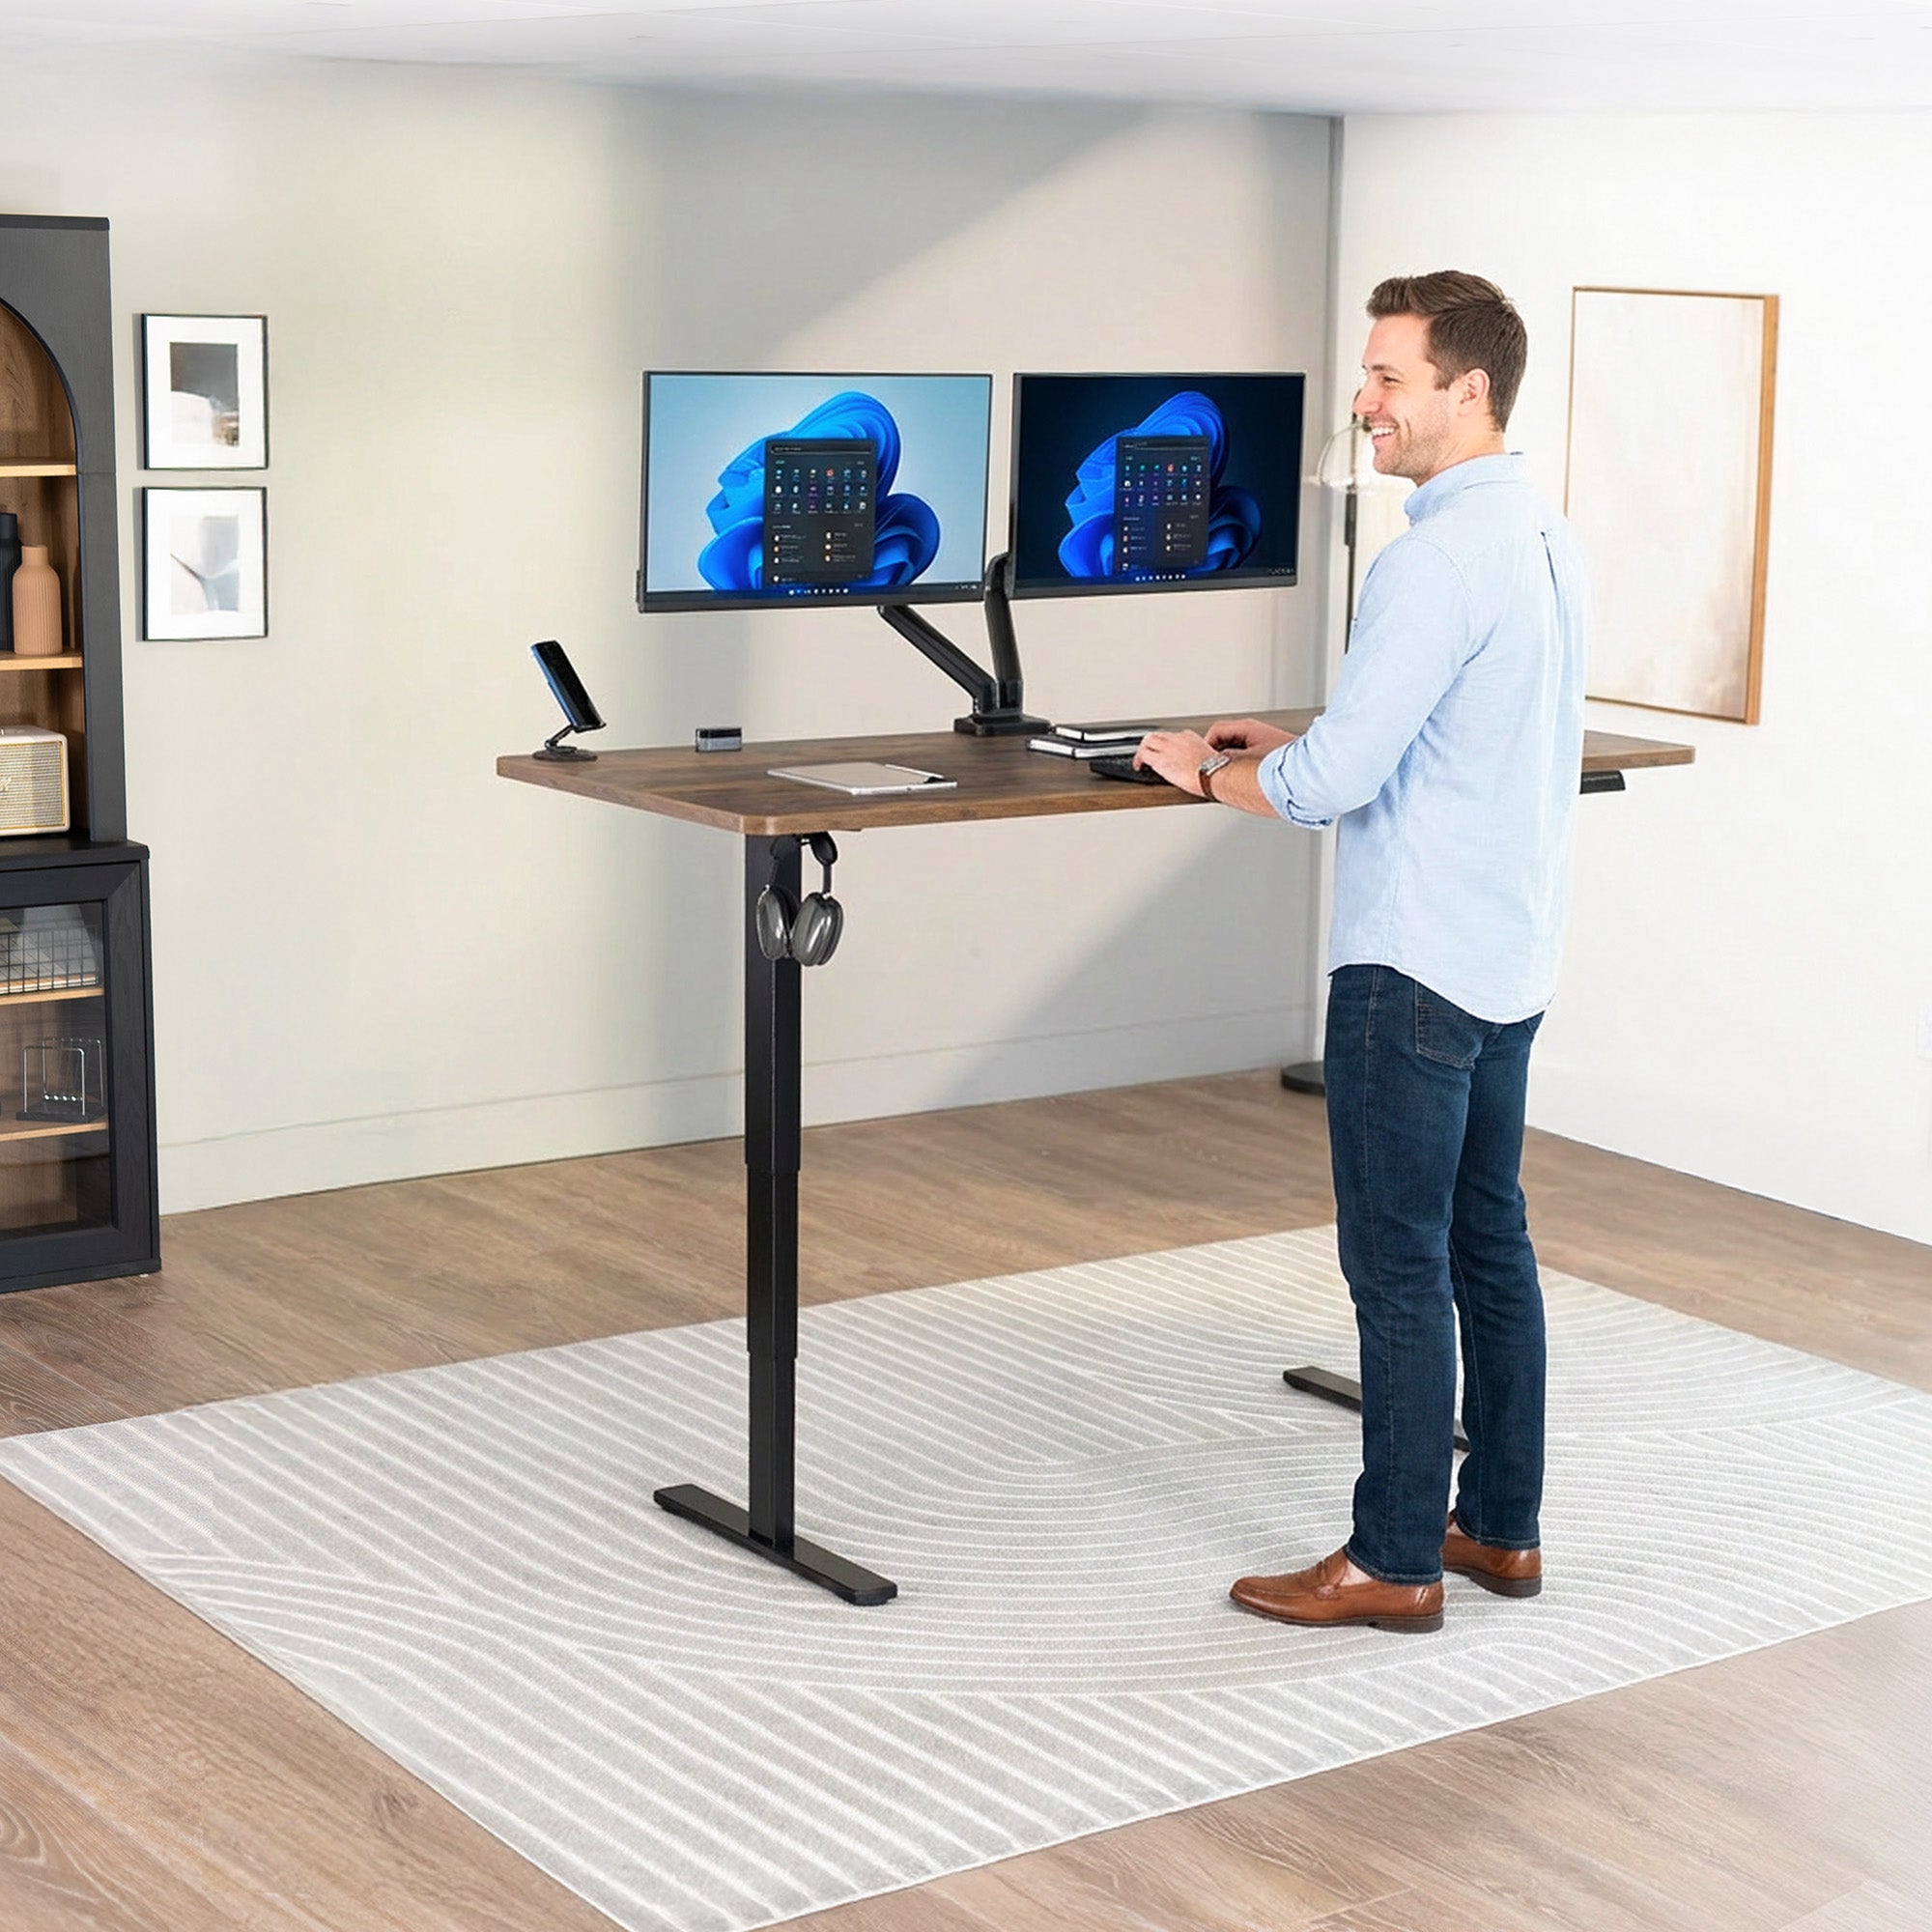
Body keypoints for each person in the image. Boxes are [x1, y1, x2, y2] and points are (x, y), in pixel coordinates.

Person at [1136, 270, 1588, 1632]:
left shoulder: (1431, 558)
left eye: (1389, 378)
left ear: (1470, 389)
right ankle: (1498, 1529)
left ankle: (1392, 1560)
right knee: (1487, 1250)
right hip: (1507, 956)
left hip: (1411, 969)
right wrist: (1303, 745)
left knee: (1396, 1265)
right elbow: (1447, 739)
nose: (1364, 401)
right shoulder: (1542, 537)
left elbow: (1324, 796)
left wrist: (1197, 774)